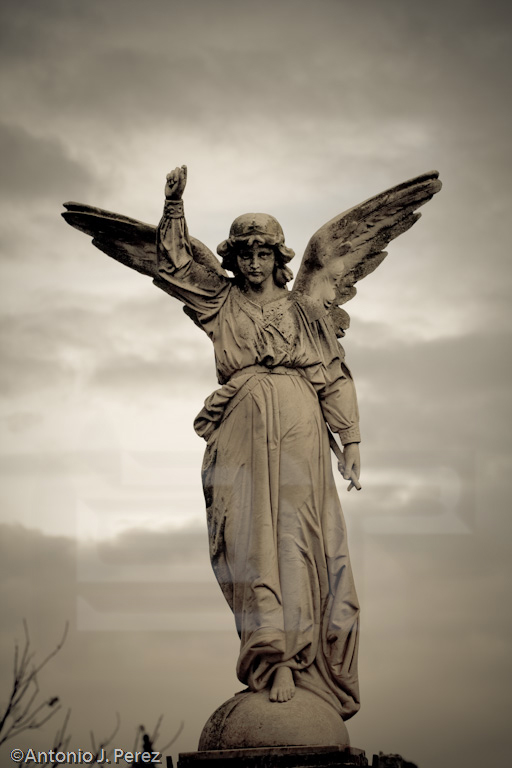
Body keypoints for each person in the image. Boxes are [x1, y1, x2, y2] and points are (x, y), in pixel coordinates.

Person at [155, 167, 361, 719]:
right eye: (243, 254)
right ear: (233, 258)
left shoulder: (303, 309)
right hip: (241, 430)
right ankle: (270, 655)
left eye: (262, 253)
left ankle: (294, 658)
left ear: (277, 257)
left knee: (297, 540)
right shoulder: (220, 302)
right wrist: (173, 207)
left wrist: (351, 440)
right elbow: (174, 265)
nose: (252, 263)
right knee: (248, 541)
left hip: (298, 427)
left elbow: (332, 374)